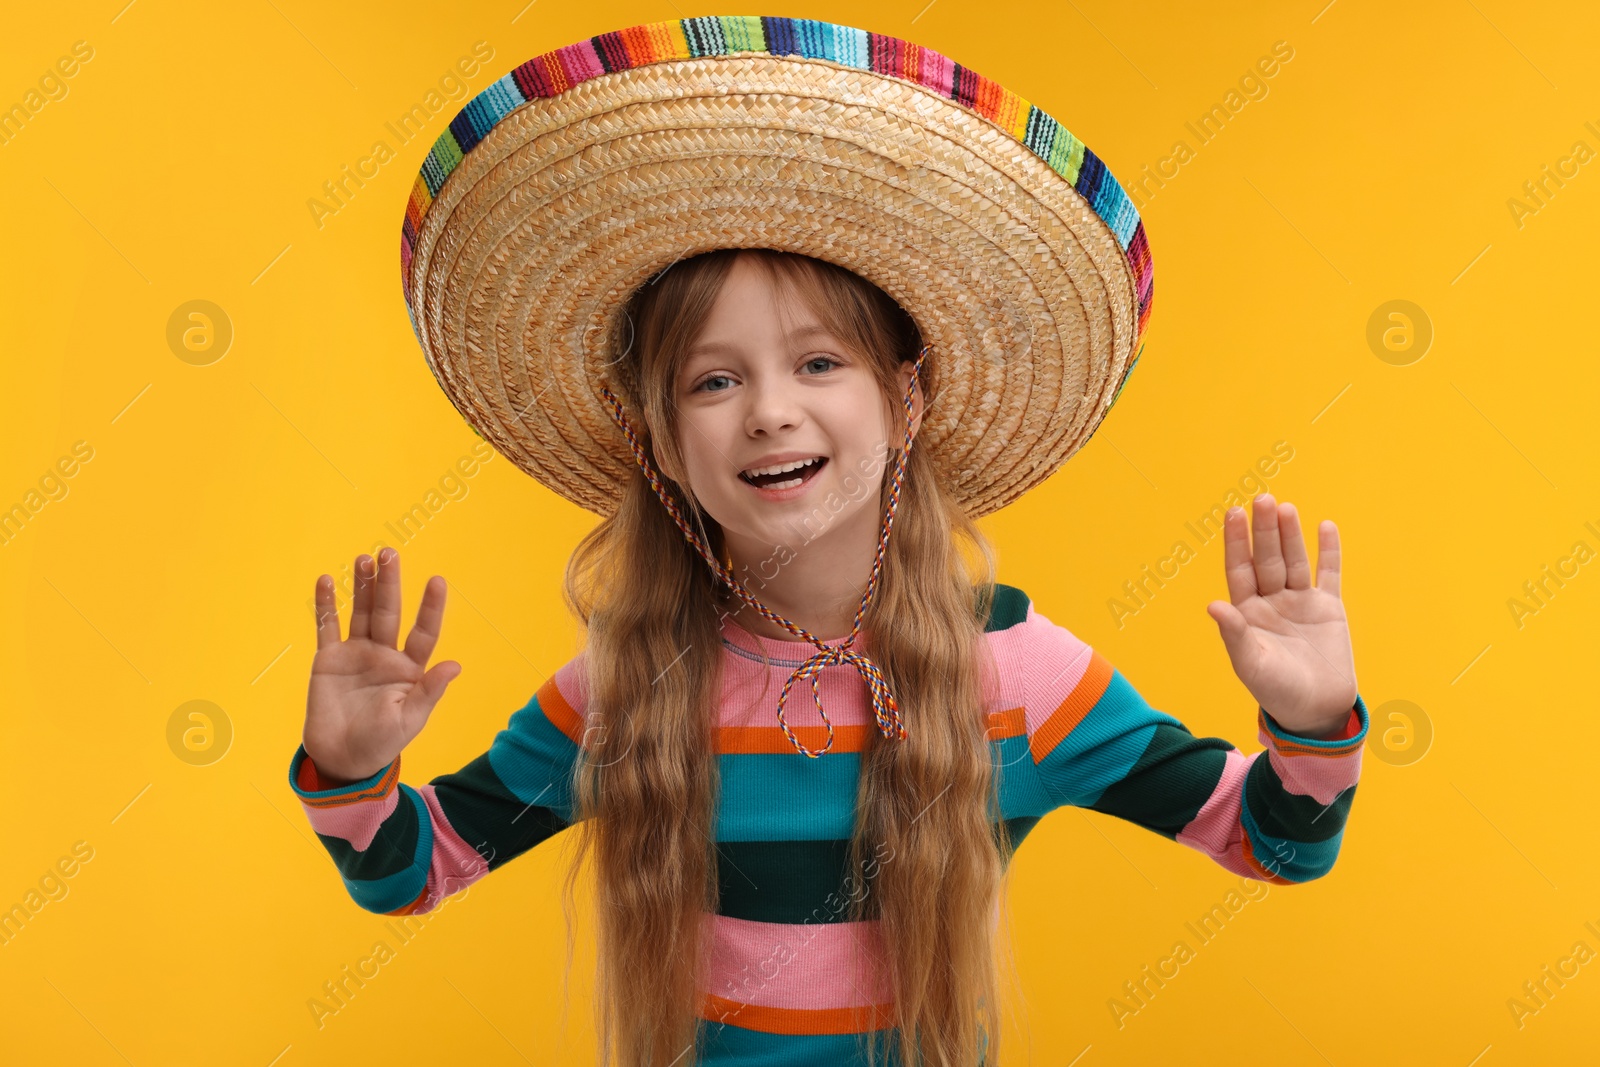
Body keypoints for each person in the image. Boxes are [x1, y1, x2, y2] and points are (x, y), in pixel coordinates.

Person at [289, 17, 1368, 1067]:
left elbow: (1269, 843)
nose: (768, 411)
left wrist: (1312, 721)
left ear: (906, 400)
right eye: (714, 380)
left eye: (818, 363)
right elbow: (416, 870)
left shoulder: (1018, 671)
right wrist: (349, 770)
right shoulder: (627, 686)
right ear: (659, 439)